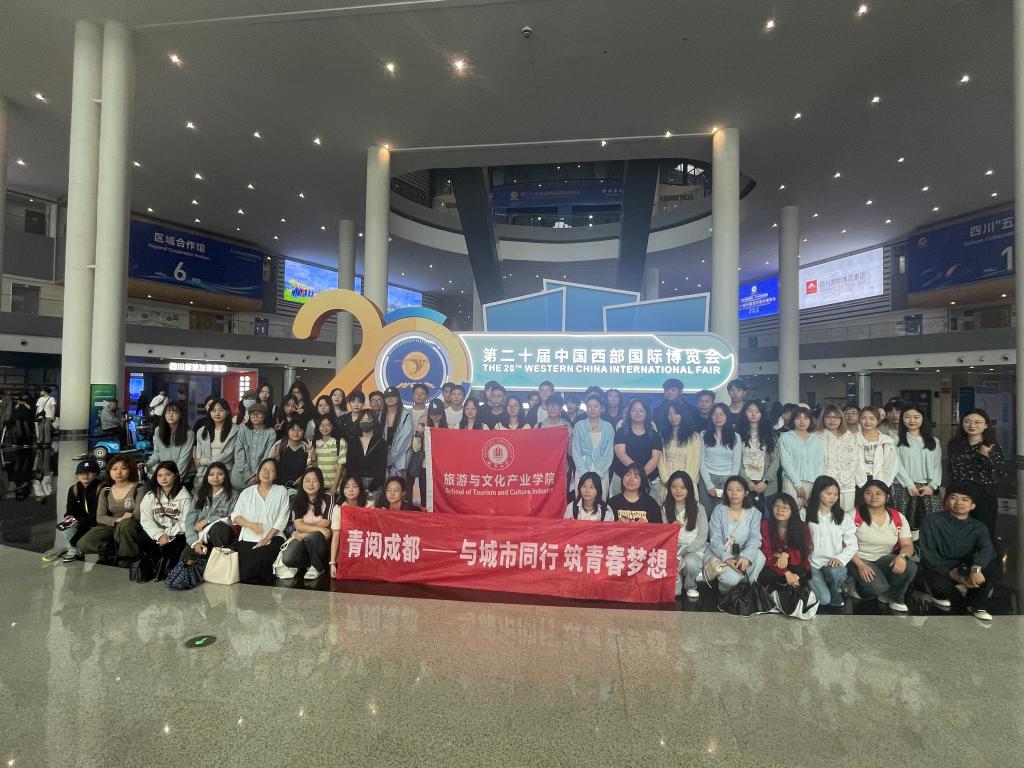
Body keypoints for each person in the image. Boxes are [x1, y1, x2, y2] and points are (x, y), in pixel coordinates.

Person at [918, 483, 997, 621]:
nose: (959, 502)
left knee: (991, 566)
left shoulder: (979, 526)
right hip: (939, 568)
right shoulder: (931, 520)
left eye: (965, 499)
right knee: (951, 600)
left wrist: (976, 567)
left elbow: (987, 549)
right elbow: (927, 553)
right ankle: (959, 595)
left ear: (972, 505)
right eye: (953, 498)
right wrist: (950, 573)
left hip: (966, 568)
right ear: (946, 501)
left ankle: (977, 606)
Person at [207, 458, 290, 585]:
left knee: (261, 557)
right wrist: (250, 525)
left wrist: (266, 539)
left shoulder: (281, 491)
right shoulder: (247, 492)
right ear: (258, 472)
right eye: (264, 469)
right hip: (248, 537)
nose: (266, 473)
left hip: (273, 537)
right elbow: (235, 516)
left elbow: (282, 519)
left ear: (276, 475)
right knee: (243, 563)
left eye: (271, 471)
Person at [848, 479, 917, 612]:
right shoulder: (853, 515)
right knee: (876, 588)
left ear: (887, 497)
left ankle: (894, 598)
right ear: (863, 496)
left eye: (878, 493)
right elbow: (843, 544)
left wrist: (902, 556)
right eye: (868, 493)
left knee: (909, 565)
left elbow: (908, 545)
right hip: (858, 560)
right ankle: (855, 587)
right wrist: (861, 565)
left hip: (884, 559)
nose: (873, 496)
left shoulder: (898, 517)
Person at [75, 455, 148, 564]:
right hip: (111, 525)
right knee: (83, 543)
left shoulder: (139, 488)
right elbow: (100, 517)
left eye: (123, 468)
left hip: (131, 525)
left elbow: (138, 514)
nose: (118, 472)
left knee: (125, 524)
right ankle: (114, 551)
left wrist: (125, 519)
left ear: (130, 470)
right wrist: (117, 520)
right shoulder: (105, 490)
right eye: (114, 469)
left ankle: (128, 557)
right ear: (109, 471)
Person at [947, 408, 1005, 540]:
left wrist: (985, 456)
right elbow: (952, 469)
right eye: (967, 421)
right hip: (960, 494)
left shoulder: (992, 446)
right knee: (958, 530)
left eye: (977, 422)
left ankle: (984, 553)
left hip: (984, 494)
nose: (972, 425)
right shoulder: (955, 444)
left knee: (984, 529)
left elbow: (1000, 472)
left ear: (986, 425)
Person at [704, 476, 764, 592]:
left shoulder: (754, 513)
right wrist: (727, 558)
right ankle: (725, 592)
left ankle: (746, 588)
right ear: (725, 492)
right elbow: (714, 539)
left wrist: (746, 556)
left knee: (760, 556)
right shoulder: (719, 510)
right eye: (730, 489)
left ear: (746, 493)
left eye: (738, 489)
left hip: (742, 553)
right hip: (720, 553)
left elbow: (755, 539)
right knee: (731, 579)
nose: (734, 493)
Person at [805, 475, 857, 608]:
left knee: (836, 572)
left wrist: (840, 558)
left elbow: (852, 544)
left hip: (833, 565)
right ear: (818, 493)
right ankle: (828, 587)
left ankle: (835, 589)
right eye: (828, 494)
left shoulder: (843, 516)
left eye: (835, 494)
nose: (833, 497)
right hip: (812, 564)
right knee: (824, 600)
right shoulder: (804, 513)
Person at [892, 405, 943, 538]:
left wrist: (932, 486)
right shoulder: (896, 441)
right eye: (907, 417)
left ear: (923, 419)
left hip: (927, 488)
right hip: (904, 487)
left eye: (916, 417)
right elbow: (897, 465)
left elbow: (937, 465)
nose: (912, 420)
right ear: (902, 419)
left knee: (930, 524)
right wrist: (909, 485)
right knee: (905, 524)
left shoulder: (934, 441)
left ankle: (927, 548)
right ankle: (907, 548)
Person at [757, 493, 814, 607]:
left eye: (785, 507)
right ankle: (775, 599)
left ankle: (789, 600)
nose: (780, 510)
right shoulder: (765, 525)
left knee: (798, 571)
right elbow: (766, 552)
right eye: (776, 506)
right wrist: (786, 573)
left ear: (792, 510)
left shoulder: (802, 527)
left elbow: (804, 551)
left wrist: (786, 554)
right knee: (766, 574)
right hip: (772, 564)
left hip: (796, 564)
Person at [281, 467, 334, 579]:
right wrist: (319, 529)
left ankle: (317, 567)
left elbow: (325, 522)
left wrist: (305, 533)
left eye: (315, 481)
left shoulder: (328, 496)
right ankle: (307, 564)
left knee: (314, 537)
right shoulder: (297, 499)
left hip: (319, 539)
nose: (311, 484)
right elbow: (298, 525)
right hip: (302, 536)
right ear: (302, 482)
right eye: (307, 481)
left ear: (320, 482)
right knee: (288, 559)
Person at [662, 470, 708, 598]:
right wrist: (670, 528)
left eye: (682, 488)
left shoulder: (699, 508)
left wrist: (687, 550)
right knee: (675, 593)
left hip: (692, 549)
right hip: (673, 549)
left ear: (689, 489)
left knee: (691, 563)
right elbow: (663, 535)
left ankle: (690, 585)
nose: (678, 491)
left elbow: (703, 536)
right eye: (674, 487)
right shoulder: (665, 508)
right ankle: (678, 577)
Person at [139, 460, 192, 568]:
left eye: (168, 474)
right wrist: (159, 535)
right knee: (142, 539)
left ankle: (168, 570)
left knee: (173, 547)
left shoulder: (185, 497)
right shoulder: (150, 496)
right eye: (160, 475)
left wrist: (168, 534)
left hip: (177, 534)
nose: (163, 478)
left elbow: (187, 521)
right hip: (155, 533)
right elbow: (146, 520)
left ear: (176, 475)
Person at [183, 461, 238, 560]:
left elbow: (233, 519)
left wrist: (208, 520)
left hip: (221, 536)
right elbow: (190, 520)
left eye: (220, 474)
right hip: (200, 536)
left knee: (218, 528)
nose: (215, 477)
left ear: (226, 476)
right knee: (186, 557)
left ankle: (222, 560)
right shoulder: (199, 494)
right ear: (207, 477)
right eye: (211, 474)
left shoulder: (233, 495)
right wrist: (195, 542)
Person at [612, 398, 662, 499]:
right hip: (622, 477)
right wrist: (634, 474)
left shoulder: (654, 434)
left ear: (647, 413)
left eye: (641, 410)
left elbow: (656, 457)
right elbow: (621, 453)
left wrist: (640, 475)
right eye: (634, 410)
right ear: (629, 412)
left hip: (647, 478)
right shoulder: (621, 431)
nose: (637, 413)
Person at [52, 459, 101, 563]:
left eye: (89, 472)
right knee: (66, 525)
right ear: (77, 475)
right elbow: (71, 509)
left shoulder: (102, 487)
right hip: (83, 519)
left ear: (96, 473)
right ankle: (74, 551)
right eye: (81, 473)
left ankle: (74, 545)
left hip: (98, 521)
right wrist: (68, 516)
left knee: (78, 533)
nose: (85, 475)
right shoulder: (74, 489)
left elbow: (96, 514)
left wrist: (76, 535)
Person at [735, 400, 780, 514]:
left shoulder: (771, 436)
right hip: (745, 481)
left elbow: (776, 461)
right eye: (750, 411)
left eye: (757, 411)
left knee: (766, 517)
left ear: (762, 414)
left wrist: (765, 481)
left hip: (766, 483)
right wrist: (747, 481)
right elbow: (736, 461)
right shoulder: (738, 435)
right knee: (744, 516)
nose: (753, 414)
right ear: (744, 413)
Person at [698, 403, 742, 515]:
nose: (718, 417)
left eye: (721, 414)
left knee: (724, 514)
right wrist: (709, 484)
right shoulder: (703, 435)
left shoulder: (736, 437)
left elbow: (736, 463)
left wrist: (729, 485)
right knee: (705, 513)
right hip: (707, 477)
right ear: (711, 417)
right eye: (714, 414)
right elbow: (701, 461)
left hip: (727, 478)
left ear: (727, 416)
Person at [778, 405, 824, 506]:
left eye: (806, 418)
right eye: (798, 418)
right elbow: (786, 463)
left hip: (812, 484)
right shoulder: (785, 438)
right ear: (793, 420)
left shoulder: (817, 440)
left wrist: (817, 486)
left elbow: (820, 464)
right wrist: (798, 486)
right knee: (791, 510)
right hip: (791, 483)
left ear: (810, 420)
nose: (802, 421)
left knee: (810, 512)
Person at [571, 393, 615, 496]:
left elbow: (609, 453)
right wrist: (583, 472)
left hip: (602, 469)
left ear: (602, 408)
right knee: (582, 498)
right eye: (589, 406)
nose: (592, 409)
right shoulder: (579, 426)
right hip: (582, 468)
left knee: (600, 499)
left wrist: (599, 472)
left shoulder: (608, 427)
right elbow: (575, 451)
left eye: (596, 406)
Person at [658, 402, 702, 504]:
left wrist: (684, 483)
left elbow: (695, 463)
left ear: (683, 414)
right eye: (669, 414)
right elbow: (659, 460)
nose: (673, 416)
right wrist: (667, 481)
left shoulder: (694, 437)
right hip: (667, 480)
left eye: (676, 413)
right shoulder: (662, 436)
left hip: (687, 482)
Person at [818, 404, 859, 511]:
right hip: (825, 485)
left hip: (847, 485)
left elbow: (854, 460)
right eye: (828, 417)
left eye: (836, 417)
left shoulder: (849, 435)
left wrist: (845, 479)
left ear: (841, 419)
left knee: (846, 514)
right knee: (825, 514)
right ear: (823, 418)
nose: (832, 420)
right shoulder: (817, 436)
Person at [329, 474, 369, 577]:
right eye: (347, 487)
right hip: (347, 546)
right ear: (342, 490)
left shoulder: (368, 505)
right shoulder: (338, 508)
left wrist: (351, 511)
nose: (351, 490)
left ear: (360, 488)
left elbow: (370, 530)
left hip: (365, 545)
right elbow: (336, 536)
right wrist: (332, 564)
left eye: (355, 486)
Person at [147, 402, 195, 485]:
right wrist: (147, 465)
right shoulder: (158, 430)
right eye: (168, 412)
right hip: (165, 476)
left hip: (183, 477)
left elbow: (184, 460)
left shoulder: (188, 433)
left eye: (175, 412)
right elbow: (157, 453)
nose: (171, 415)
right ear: (164, 414)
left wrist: (174, 480)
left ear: (180, 415)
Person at [854, 406, 898, 494]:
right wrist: (858, 481)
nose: (867, 422)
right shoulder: (852, 439)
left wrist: (884, 483)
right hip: (856, 482)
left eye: (872, 418)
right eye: (864, 418)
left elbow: (892, 465)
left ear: (878, 420)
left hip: (882, 482)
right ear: (859, 420)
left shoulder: (887, 441)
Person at [347, 409, 388, 503]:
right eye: (362, 420)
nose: (365, 422)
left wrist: (370, 489)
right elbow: (349, 466)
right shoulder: (352, 442)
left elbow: (381, 469)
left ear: (374, 422)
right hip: (356, 484)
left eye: (368, 420)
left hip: (375, 485)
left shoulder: (381, 443)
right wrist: (357, 486)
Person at [194, 398, 238, 484]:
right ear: (209, 412)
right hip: (205, 473)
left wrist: (205, 461)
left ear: (228, 412)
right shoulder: (202, 431)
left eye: (221, 410)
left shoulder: (235, 430)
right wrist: (201, 468)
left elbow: (228, 454)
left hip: (225, 472)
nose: (217, 413)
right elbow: (199, 455)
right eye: (213, 411)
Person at [232, 403, 277, 487]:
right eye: (252, 414)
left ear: (264, 416)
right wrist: (248, 476)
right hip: (239, 476)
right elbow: (239, 453)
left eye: (259, 414)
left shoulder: (271, 432)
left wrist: (256, 475)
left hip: (259, 478)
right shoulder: (243, 429)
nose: (255, 416)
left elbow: (267, 456)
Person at [380, 387, 413, 482]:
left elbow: (404, 442)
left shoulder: (405, 416)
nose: (390, 399)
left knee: (399, 488)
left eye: (393, 396)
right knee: (384, 488)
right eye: (387, 397)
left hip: (400, 461)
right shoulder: (381, 415)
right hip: (382, 459)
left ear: (398, 398)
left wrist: (388, 459)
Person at [270, 420, 313, 488]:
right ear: (288, 431)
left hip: (299, 486)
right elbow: (269, 464)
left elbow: (310, 467)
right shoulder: (280, 444)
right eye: (292, 430)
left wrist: (303, 477)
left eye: (300, 430)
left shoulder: (307, 446)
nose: (296, 433)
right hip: (279, 485)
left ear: (304, 432)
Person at [312, 415, 346, 495]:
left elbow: (341, 466)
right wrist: (313, 455)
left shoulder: (340, 442)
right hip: (320, 487)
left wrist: (334, 487)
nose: (325, 428)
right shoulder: (314, 443)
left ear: (333, 426)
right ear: (318, 427)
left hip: (337, 487)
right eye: (322, 425)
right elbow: (315, 468)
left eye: (328, 425)